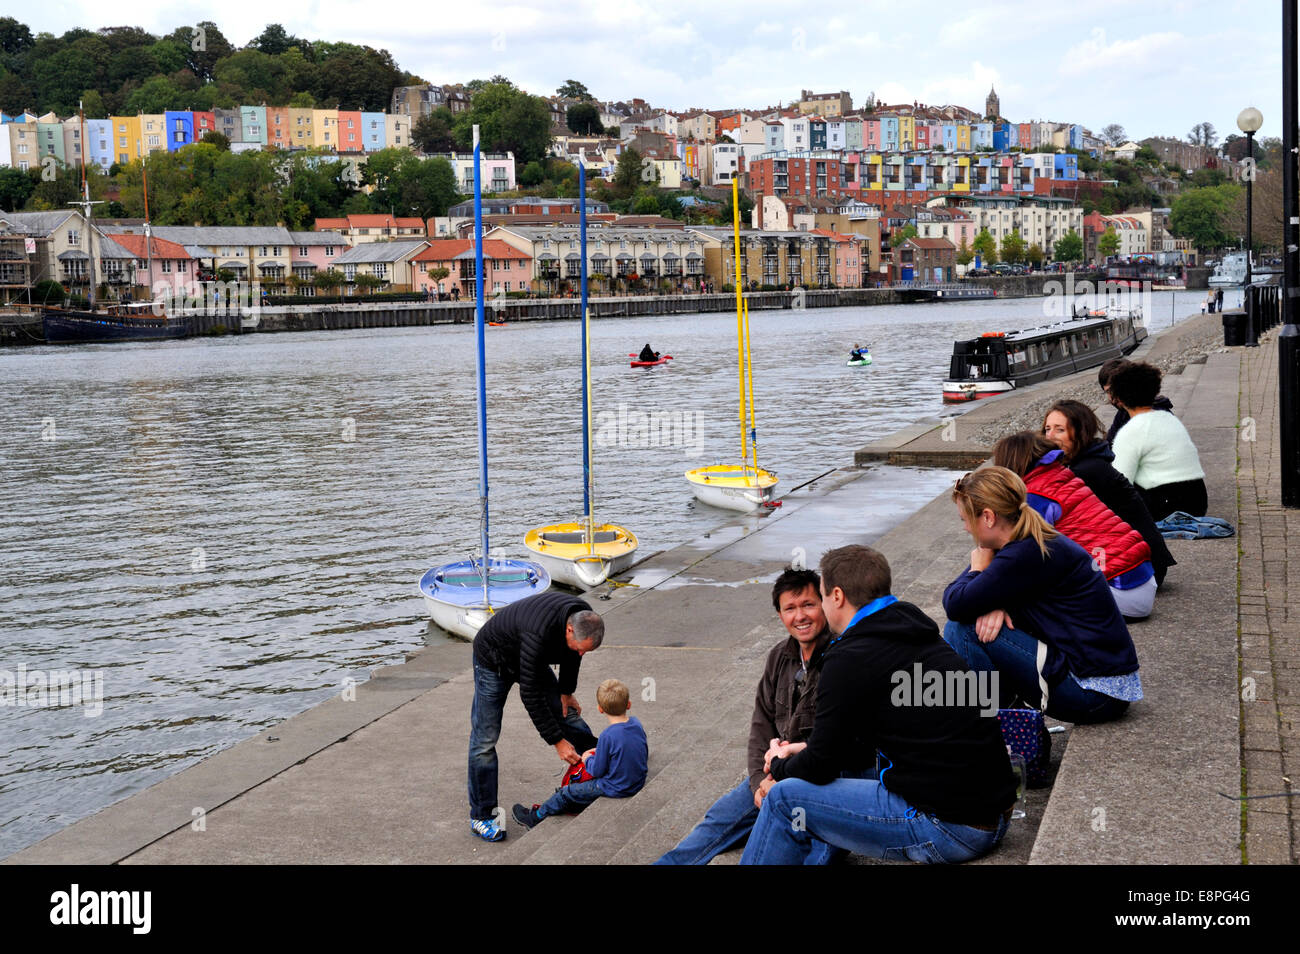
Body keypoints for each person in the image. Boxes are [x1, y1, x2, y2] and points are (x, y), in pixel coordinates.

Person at [739, 546, 1017, 865]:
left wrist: (777, 765)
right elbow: (850, 745)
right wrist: (803, 749)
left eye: (823, 596)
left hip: (950, 828)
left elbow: (821, 766)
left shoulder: (848, 658)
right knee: (842, 767)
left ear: (838, 597)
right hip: (994, 813)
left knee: (782, 799)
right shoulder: (916, 631)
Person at [655, 568, 831, 865]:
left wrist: (779, 782)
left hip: (816, 783)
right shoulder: (779, 656)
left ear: (824, 605)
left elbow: (833, 746)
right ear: (780, 615)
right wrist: (761, 782)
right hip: (770, 774)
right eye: (790, 608)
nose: (800, 616)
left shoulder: (840, 659)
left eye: (808, 605)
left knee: (818, 854)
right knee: (715, 823)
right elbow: (761, 725)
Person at [943, 467, 1142, 725]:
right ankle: (1005, 720)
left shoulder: (1023, 554)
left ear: (989, 517)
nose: (966, 529)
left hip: (1095, 693)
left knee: (963, 630)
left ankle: (1000, 727)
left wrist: (978, 568)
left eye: (966, 519)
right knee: (970, 623)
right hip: (1103, 681)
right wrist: (995, 600)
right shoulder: (1032, 539)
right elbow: (977, 595)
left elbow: (956, 604)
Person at [468, 591, 604, 842]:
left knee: (567, 713)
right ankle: (481, 816)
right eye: (581, 649)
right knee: (484, 741)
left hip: (528, 656)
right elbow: (530, 695)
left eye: (587, 652)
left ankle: (603, 759)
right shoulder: (538, 632)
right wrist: (557, 741)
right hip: (493, 659)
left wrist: (566, 692)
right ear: (569, 631)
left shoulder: (582, 617)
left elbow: (572, 656)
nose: (581, 654)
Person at [992, 432, 1156, 619]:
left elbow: (1025, 555)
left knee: (1026, 595)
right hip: (1141, 580)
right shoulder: (1063, 478)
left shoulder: (1036, 495)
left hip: (1121, 592)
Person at [1044, 400, 1175, 586]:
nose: (1050, 437)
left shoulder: (1086, 470)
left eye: (1060, 430)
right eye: (1047, 429)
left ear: (1080, 431)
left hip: (1138, 567)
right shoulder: (1089, 459)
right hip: (1136, 560)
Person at [512, 679, 648, 828]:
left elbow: (597, 770)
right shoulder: (636, 723)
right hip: (637, 781)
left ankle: (534, 818)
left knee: (566, 792)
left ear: (600, 709)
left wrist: (587, 758)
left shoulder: (607, 736)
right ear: (629, 704)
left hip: (617, 787)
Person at [1107, 361, 1207, 521]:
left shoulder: (1134, 430)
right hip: (1196, 503)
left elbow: (1120, 482)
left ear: (1119, 398)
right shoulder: (1166, 418)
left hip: (1173, 510)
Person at [1099, 358, 1173, 444]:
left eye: (1116, 389)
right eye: (1108, 391)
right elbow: (1110, 442)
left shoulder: (1157, 418)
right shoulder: (1123, 414)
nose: (1113, 396)